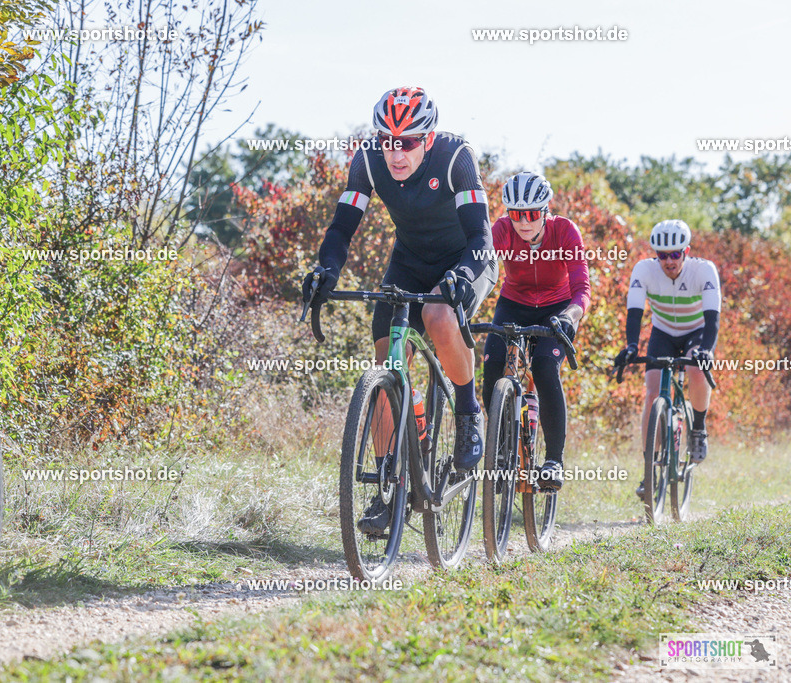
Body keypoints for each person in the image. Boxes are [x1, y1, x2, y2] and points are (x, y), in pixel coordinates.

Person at [301, 86, 497, 534]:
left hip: (466, 262)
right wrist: (325, 269)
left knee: (438, 316)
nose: (396, 152)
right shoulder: (368, 159)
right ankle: (389, 485)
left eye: (407, 142)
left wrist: (463, 277)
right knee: (387, 358)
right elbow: (342, 227)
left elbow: (481, 238)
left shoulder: (455, 156)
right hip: (409, 263)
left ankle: (468, 413)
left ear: (427, 138)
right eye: (388, 140)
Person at [483, 172, 590, 491]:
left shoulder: (565, 231)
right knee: (492, 363)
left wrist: (571, 316)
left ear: (545, 211)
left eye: (531, 214)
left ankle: (554, 460)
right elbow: (481, 266)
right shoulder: (502, 230)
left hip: (555, 310)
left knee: (545, 369)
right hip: (513, 302)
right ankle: (500, 452)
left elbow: (581, 287)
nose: (523, 222)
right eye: (516, 214)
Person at [613, 219, 720, 497]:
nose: (669, 261)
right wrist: (632, 346)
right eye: (662, 255)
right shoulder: (644, 270)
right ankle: (649, 470)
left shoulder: (704, 270)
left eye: (675, 254)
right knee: (652, 393)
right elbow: (635, 312)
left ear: (686, 251)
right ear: (655, 255)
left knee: (697, 370)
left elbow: (712, 320)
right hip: (662, 332)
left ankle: (698, 426)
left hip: (696, 332)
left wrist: (707, 350)